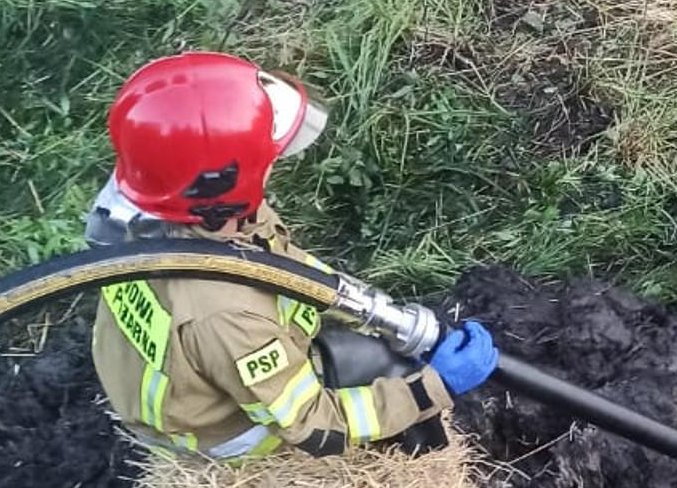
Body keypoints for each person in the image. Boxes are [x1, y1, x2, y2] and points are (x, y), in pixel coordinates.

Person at [87, 52, 497, 461]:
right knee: (381, 367)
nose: (274, 164)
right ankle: (410, 466)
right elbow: (316, 427)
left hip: (182, 376)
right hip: (212, 432)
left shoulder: (163, 206)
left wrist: (381, 315)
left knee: (372, 345)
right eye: (264, 158)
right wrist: (433, 386)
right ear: (226, 185)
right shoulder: (225, 314)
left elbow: (287, 267)